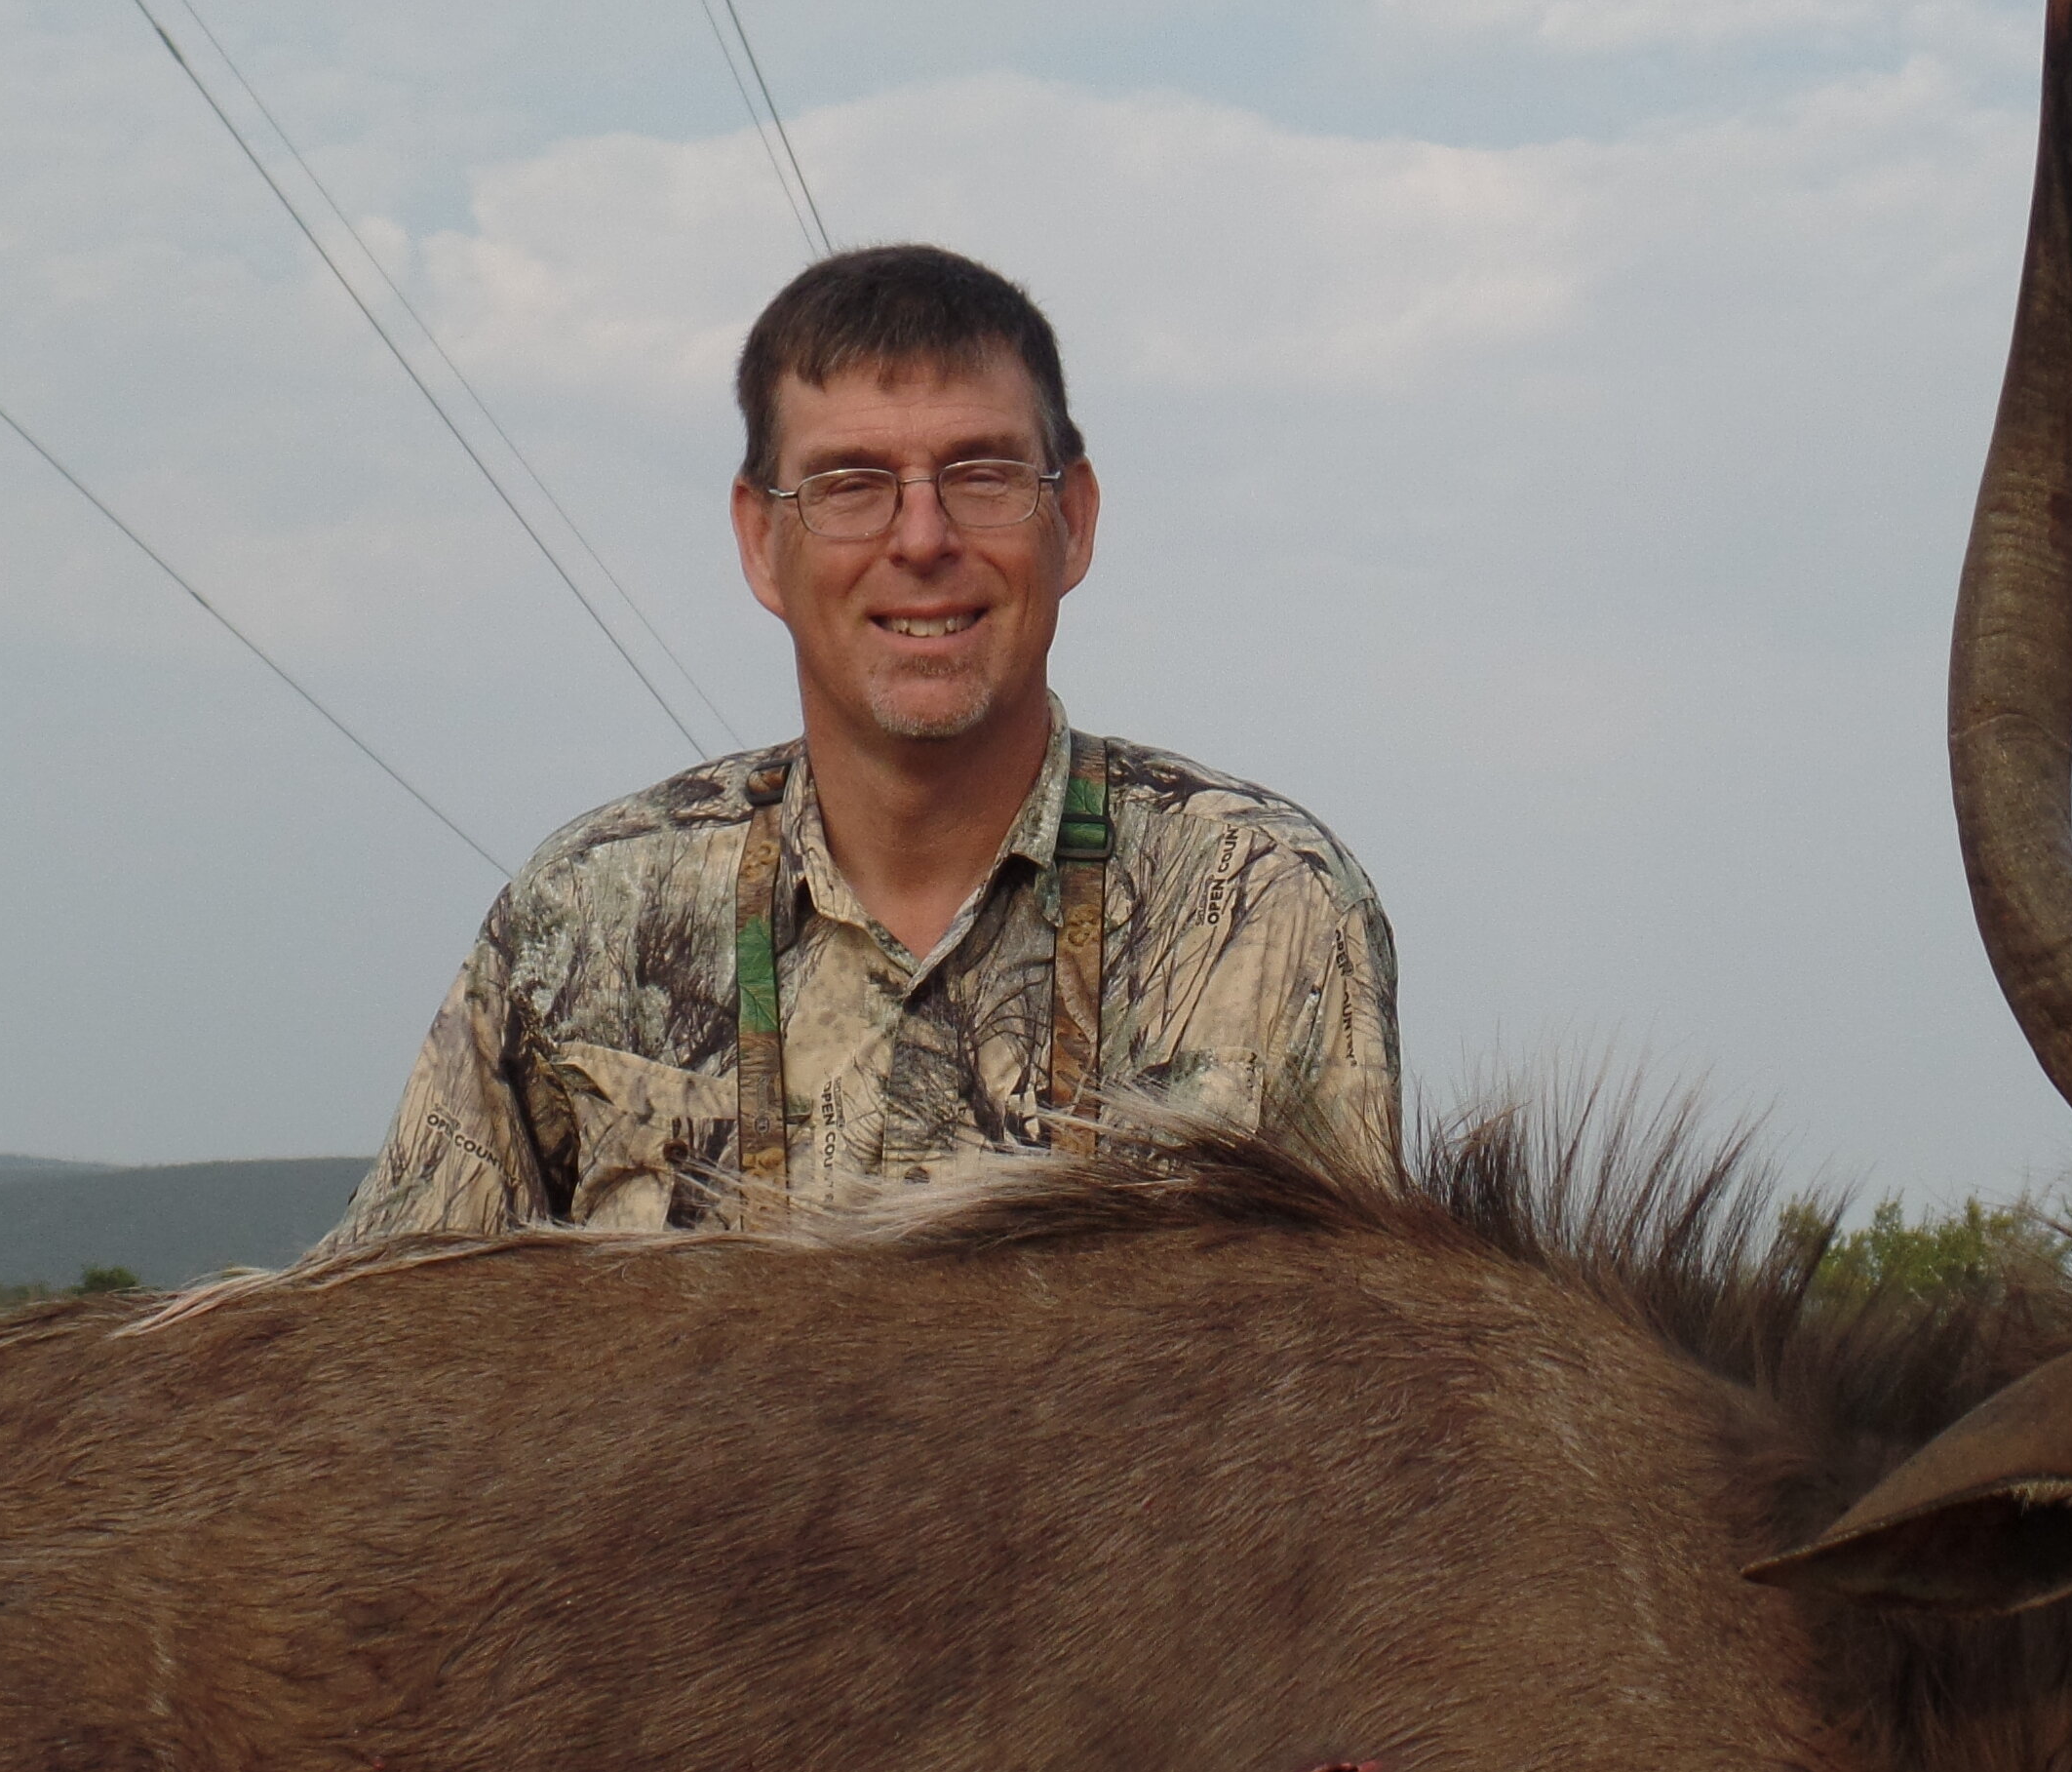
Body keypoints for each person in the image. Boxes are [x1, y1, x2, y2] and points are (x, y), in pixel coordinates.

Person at [332, 244, 1398, 1240]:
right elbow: (372, 1347)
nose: (923, 539)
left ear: (1072, 518)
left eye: (983, 475)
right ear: (761, 540)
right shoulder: (586, 916)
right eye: (850, 486)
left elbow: (1360, 1384)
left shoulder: (1267, 907)